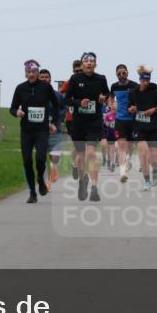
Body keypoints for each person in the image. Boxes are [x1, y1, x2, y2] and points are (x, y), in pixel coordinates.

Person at [9, 59, 59, 203]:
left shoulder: (45, 87)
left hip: (42, 130)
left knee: (40, 158)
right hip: (26, 130)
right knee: (26, 161)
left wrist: (54, 122)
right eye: (28, 72)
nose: (31, 74)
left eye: (34, 72)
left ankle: (40, 180)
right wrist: (16, 112)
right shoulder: (20, 88)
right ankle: (32, 192)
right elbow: (13, 108)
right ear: (25, 73)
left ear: (38, 73)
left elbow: (56, 106)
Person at [64, 52, 110, 202]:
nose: (89, 64)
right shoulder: (75, 79)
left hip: (94, 122)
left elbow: (107, 94)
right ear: (82, 64)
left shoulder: (101, 79)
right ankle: (82, 181)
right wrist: (78, 103)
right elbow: (67, 99)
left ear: (95, 64)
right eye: (86, 61)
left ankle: (94, 188)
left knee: (91, 153)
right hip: (79, 123)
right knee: (80, 156)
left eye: (92, 61)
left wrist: (104, 98)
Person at [128, 66, 157, 190]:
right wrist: (132, 109)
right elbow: (130, 107)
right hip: (139, 127)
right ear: (139, 80)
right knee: (143, 154)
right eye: (144, 80)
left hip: (154, 127)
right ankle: (147, 181)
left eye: (147, 81)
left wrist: (154, 109)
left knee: (154, 157)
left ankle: (155, 171)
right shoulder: (133, 92)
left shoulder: (155, 91)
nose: (146, 83)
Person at [110, 63, 139, 183]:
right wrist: (111, 105)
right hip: (120, 119)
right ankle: (122, 173)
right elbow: (110, 97)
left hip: (133, 120)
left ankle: (128, 159)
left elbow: (140, 99)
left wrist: (135, 108)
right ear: (116, 75)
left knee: (130, 146)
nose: (121, 75)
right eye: (119, 74)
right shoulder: (114, 86)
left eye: (124, 73)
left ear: (127, 73)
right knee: (122, 146)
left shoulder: (134, 85)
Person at [40, 69, 66, 185]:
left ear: (50, 79)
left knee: (55, 155)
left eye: (46, 77)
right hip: (40, 130)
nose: (44, 79)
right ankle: (46, 182)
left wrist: (56, 118)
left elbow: (64, 109)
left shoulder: (58, 95)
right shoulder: (35, 94)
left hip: (56, 129)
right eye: (42, 77)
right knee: (41, 156)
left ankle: (54, 168)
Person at [60, 59, 81, 179]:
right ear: (73, 71)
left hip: (85, 118)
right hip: (71, 118)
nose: (78, 73)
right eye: (76, 71)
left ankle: (77, 164)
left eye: (80, 71)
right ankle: (75, 164)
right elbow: (60, 94)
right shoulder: (69, 82)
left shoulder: (89, 81)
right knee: (76, 144)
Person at [101, 96, 118, 172]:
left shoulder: (120, 115)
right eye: (113, 108)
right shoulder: (108, 114)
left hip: (118, 135)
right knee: (107, 147)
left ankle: (113, 162)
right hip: (109, 133)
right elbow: (104, 122)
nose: (114, 109)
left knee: (115, 148)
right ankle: (109, 161)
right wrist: (106, 123)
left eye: (115, 108)